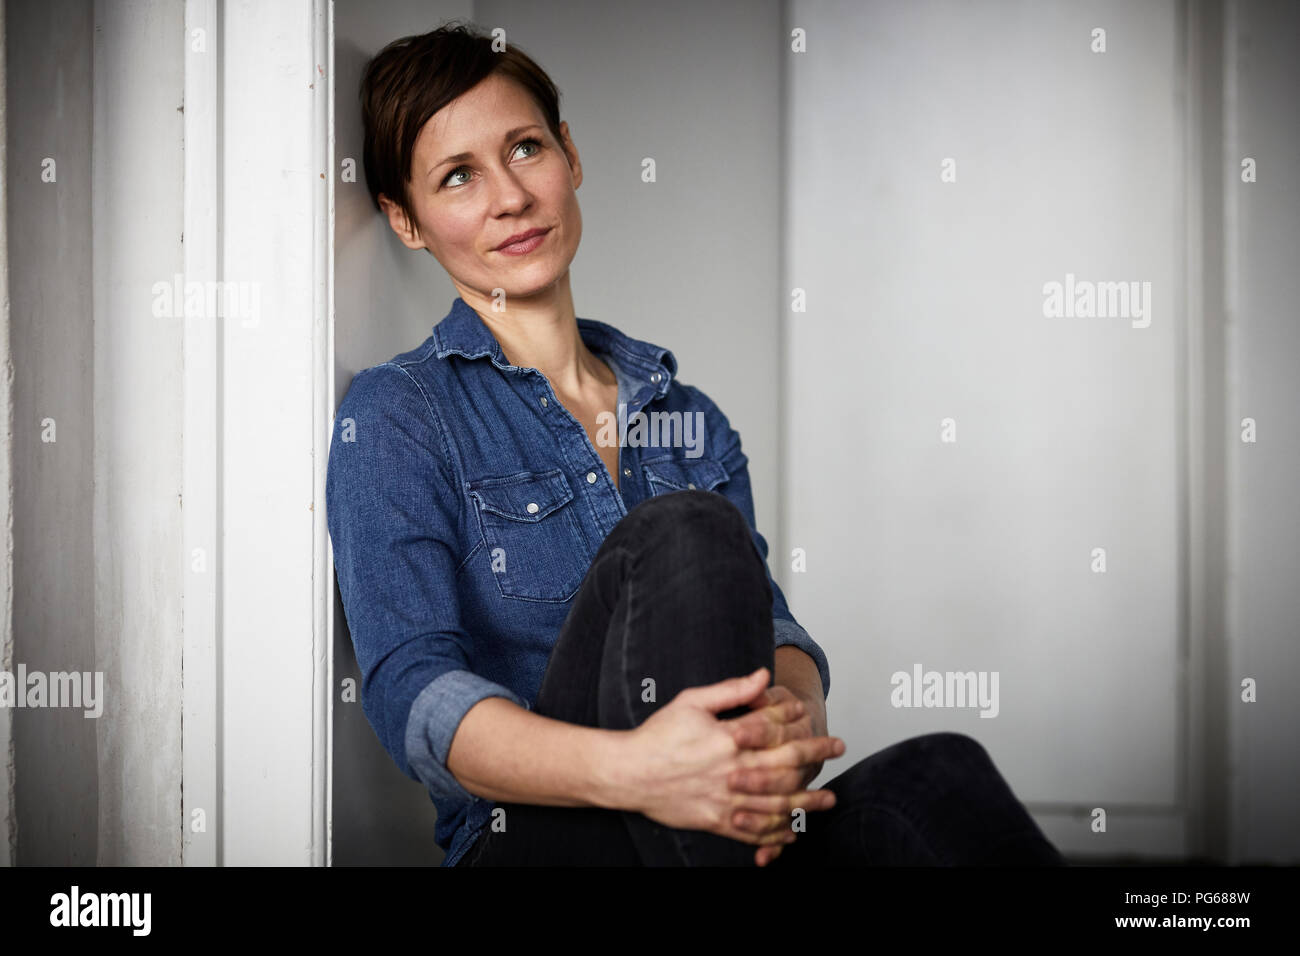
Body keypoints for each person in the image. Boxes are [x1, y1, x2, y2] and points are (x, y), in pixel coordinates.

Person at [326, 21, 1066, 868]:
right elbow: (412, 694)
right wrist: (639, 772)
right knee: (684, 530)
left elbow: (774, 628)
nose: (510, 197)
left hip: (729, 819)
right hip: (542, 840)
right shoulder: (396, 415)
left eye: (525, 149)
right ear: (406, 220)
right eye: (458, 177)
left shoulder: (691, 419)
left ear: (569, 154)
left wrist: (791, 715)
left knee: (940, 775)